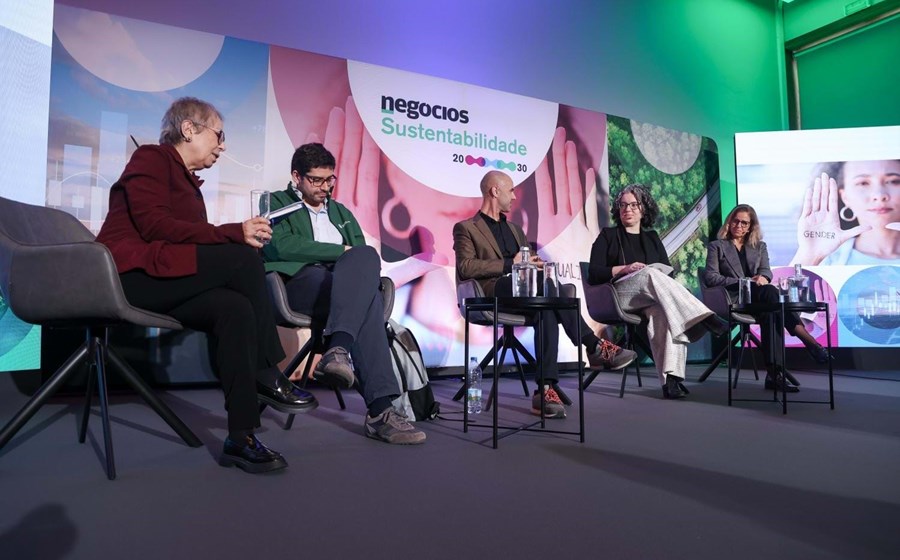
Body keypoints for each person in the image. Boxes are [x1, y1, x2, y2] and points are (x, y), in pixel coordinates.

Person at [96, 97, 312, 474]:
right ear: (189, 129)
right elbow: (155, 228)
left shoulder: (188, 184)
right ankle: (266, 372)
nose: (223, 146)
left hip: (163, 278)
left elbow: (187, 242)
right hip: (129, 278)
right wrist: (234, 233)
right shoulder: (151, 157)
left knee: (235, 309)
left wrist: (231, 235)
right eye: (219, 134)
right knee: (243, 257)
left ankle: (240, 436)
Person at [262, 143, 426, 445]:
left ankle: (338, 350)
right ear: (297, 176)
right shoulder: (276, 202)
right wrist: (340, 252)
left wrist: (351, 255)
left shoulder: (341, 212)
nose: (325, 187)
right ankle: (380, 411)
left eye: (330, 179)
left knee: (365, 259)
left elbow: (362, 259)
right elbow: (281, 246)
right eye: (317, 180)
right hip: (298, 283)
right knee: (367, 302)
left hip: (341, 290)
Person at [453, 170, 637, 418]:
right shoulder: (466, 228)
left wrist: (533, 264)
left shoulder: (516, 230)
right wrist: (511, 264)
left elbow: (528, 263)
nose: (515, 197)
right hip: (492, 291)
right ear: (494, 191)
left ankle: (545, 390)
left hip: (526, 289)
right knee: (546, 289)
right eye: (511, 190)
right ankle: (594, 345)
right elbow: (466, 267)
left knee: (546, 308)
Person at [587, 184, 728, 400]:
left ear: (644, 209)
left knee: (665, 312)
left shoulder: (652, 237)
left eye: (634, 205)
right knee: (649, 274)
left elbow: (667, 275)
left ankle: (671, 380)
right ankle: (703, 317)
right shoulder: (608, 235)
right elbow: (594, 273)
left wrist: (653, 272)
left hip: (649, 296)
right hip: (618, 296)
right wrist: (624, 269)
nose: (628, 209)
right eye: (623, 205)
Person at [706, 205, 831, 393]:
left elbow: (766, 271)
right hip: (735, 299)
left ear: (750, 226)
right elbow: (711, 277)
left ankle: (776, 375)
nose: (739, 225)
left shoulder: (759, 246)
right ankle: (809, 342)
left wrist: (763, 277)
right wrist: (745, 281)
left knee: (771, 312)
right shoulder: (717, 246)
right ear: (729, 221)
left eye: (744, 223)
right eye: (736, 220)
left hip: (761, 301)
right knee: (773, 296)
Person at [791, 159, 900, 266]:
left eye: (894, 181)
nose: (879, 195)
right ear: (845, 197)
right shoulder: (828, 260)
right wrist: (809, 255)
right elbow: (778, 284)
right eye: (863, 183)